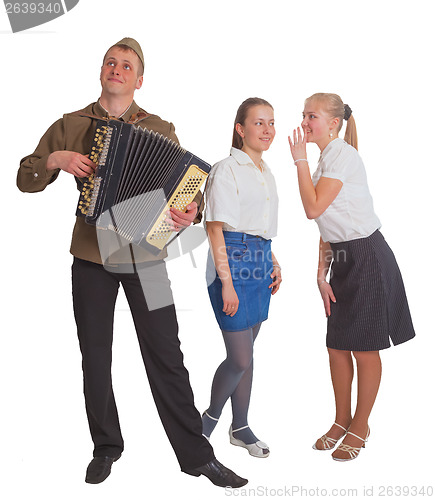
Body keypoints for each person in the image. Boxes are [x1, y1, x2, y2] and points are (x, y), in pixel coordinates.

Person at [17, 37, 248, 488]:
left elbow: (188, 190)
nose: (117, 69)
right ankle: (106, 446)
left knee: (166, 353)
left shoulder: (160, 128)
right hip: (90, 255)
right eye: (110, 62)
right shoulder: (70, 124)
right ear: (101, 71)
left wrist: (191, 212)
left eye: (126, 65)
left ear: (139, 80)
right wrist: (55, 159)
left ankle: (197, 456)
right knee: (96, 355)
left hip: (147, 257)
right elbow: (25, 178)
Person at [288, 93, 415, 461]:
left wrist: (298, 161)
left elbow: (313, 208)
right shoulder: (325, 160)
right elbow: (327, 228)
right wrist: (320, 275)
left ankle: (361, 424)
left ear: (333, 123)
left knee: (364, 346)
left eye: (311, 116)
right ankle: (341, 419)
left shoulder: (342, 155)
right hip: (344, 258)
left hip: (368, 257)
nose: (305, 122)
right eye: (303, 115)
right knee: (336, 345)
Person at [202, 97, 281, 458]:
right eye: (259, 123)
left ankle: (241, 427)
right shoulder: (225, 169)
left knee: (248, 353)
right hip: (232, 261)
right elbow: (215, 229)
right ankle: (206, 423)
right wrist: (228, 283)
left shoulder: (266, 172)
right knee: (240, 359)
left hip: (260, 261)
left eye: (271, 123)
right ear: (240, 129)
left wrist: (274, 260)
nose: (267, 130)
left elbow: (260, 228)